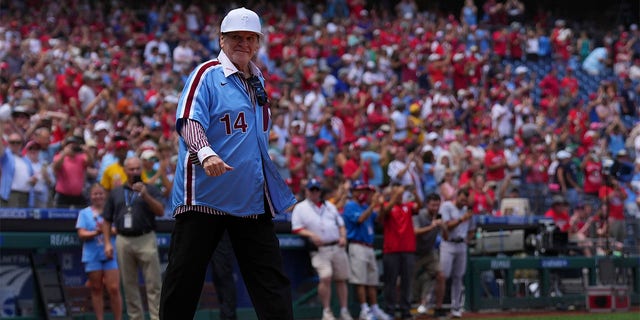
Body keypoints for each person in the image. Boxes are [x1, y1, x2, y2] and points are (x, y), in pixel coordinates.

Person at [159, 7, 297, 320]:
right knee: (184, 279)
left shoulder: (258, 81)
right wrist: (205, 151)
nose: (243, 43)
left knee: (271, 280)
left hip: (249, 199)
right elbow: (187, 120)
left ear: (258, 43)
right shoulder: (206, 74)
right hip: (205, 197)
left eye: (250, 38)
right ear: (222, 40)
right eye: (236, 37)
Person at [102, 157, 164, 320]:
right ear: (125, 170)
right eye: (131, 169)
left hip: (146, 238)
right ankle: (135, 318)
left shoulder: (150, 189)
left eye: (137, 169)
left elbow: (160, 211)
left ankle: (156, 317)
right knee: (129, 285)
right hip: (123, 240)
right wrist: (107, 242)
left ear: (141, 169)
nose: (135, 172)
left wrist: (145, 196)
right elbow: (107, 219)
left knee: (154, 285)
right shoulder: (116, 192)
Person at [291, 179, 352, 320]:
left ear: (320, 191)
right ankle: (327, 311)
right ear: (306, 191)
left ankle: (344, 310)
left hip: (337, 246)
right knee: (325, 277)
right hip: (319, 249)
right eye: (311, 189)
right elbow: (296, 228)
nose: (314, 192)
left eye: (316, 189)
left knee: (341, 279)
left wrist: (343, 236)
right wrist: (311, 235)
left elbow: (340, 224)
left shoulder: (329, 205)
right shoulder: (301, 207)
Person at [342, 180, 391, 320]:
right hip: (357, 245)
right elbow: (360, 220)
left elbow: (379, 220)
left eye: (365, 190)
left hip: (369, 246)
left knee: (372, 280)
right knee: (361, 280)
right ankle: (364, 309)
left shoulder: (365, 205)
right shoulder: (350, 206)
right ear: (354, 192)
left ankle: (374, 308)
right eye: (360, 190)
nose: (364, 193)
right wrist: (373, 205)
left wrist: (380, 206)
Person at [76, 183, 123, 320]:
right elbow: (82, 233)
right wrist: (95, 232)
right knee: (96, 288)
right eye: (95, 194)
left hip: (110, 254)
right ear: (90, 196)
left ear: (105, 195)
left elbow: (120, 230)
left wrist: (106, 230)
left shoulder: (113, 211)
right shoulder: (84, 213)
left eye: (101, 193)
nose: (98, 196)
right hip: (92, 254)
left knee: (113, 288)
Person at [378, 183, 421, 320]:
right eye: (397, 193)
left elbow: (419, 206)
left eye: (400, 193)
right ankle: (390, 310)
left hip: (408, 249)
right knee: (390, 282)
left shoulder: (407, 206)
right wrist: (394, 196)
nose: (399, 196)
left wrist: (415, 192)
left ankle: (405, 310)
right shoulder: (387, 205)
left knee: (407, 282)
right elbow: (383, 213)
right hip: (391, 250)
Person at [439, 189, 474, 319]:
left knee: (458, 277)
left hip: (461, 245)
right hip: (448, 243)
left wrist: (468, 240)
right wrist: (461, 219)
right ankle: (434, 304)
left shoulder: (467, 211)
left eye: (466, 200)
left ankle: (456, 308)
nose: (464, 202)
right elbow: (447, 226)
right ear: (457, 196)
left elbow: (472, 229)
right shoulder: (447, 206)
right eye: (462, 199)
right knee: (443, 274)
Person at [413, 193, 447, 318]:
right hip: (415, 252)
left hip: (429, 252)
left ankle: (438, 307)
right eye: (433, 205)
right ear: (427, 204)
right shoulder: (420, 215)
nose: (435, 208)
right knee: (405, 280)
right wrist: (431, 226)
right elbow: (415, 232)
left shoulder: (438, 216)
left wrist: (443, 227)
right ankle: (401, 307)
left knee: (440, 276)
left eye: (437, 205)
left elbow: (446, 237)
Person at [0, 133, 34, 207]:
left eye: (18, 142)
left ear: (21, 144)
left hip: (26, 194)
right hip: (12, 194)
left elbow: (31, 175)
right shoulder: (6, 156)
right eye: (12, 142)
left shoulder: (26, 160)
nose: (15, 144)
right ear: (8, 143)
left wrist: (33, 180)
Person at [210, 231, 237, 320]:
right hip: (201, 224)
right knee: (217, 276)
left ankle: (229, 317)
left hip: (221, 227)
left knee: (223, 275)